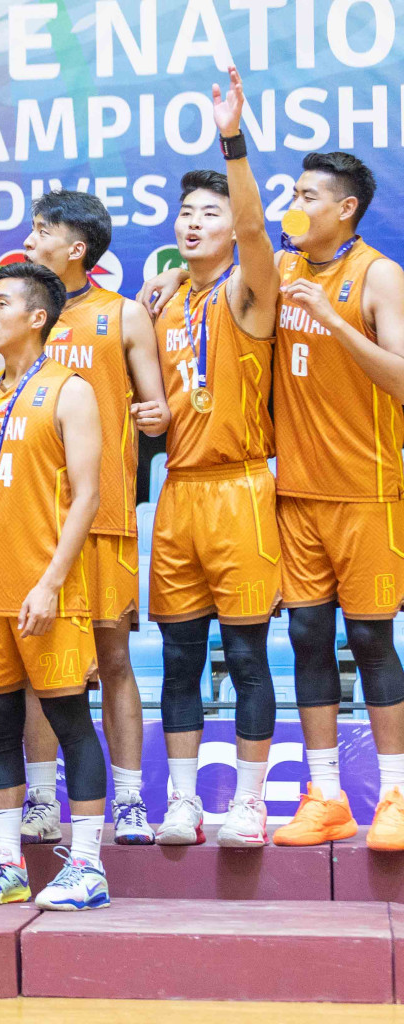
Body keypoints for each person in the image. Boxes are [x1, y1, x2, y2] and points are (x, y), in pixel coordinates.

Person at [0, 262, 109, 911]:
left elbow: (88, 497)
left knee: (69, 723)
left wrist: (52, 583)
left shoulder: (71, 390)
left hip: (46, 589)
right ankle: (6, 863)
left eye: (2, 301)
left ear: (37, 316)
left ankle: (87, 866)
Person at [143, 69, 282, 847]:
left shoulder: (247, 293)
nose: (193, 223)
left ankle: (252, 804)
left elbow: (259, 234)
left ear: (235, 226)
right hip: (179, 494)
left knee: (248, 654)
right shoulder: (162, 302)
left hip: (241, 490)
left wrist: (232, 141)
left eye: (210, 213)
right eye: (185, 213)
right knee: (178, 657)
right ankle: (185, 803)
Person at [6, 191, 171, 846]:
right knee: (38, 665)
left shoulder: (123, 314)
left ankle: (129, 799)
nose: (30, 237)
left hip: (100, 519)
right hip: (31, 524)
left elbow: (155, 406)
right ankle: (42, 799)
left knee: (114, 658)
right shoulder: (18, 314)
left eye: (42, 229)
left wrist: (151, 417)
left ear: (76, 249)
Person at [267, 153, 404, 848]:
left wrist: (335, 320)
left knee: (374, 640)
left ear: (344, 208)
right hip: (296, 494)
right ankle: (325, 797)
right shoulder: (282, 269)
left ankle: (396, 795)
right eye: (292, 193)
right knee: (307, 639)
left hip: (368, 491)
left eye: (306, 195)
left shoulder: (379, 274)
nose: (293, 205)